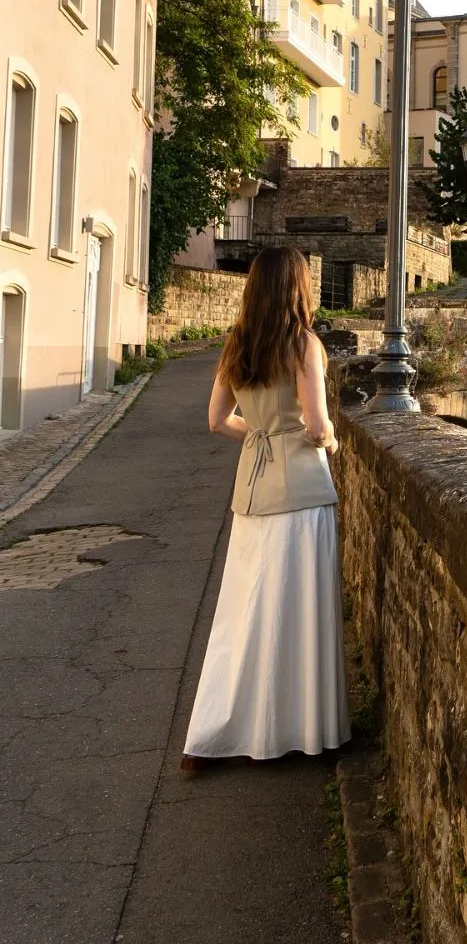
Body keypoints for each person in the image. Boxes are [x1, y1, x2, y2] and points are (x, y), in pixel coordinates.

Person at [182, 246, 351, 766]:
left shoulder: (237, 344)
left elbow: (216, 420)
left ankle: (217, 733)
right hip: (300, 489)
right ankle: (302, 729)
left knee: (244, 612)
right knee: (299, 610)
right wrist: (331, 444)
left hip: (252, 492)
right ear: (297, 287)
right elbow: (318, 425)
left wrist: (260, 436)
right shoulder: (303, 344)